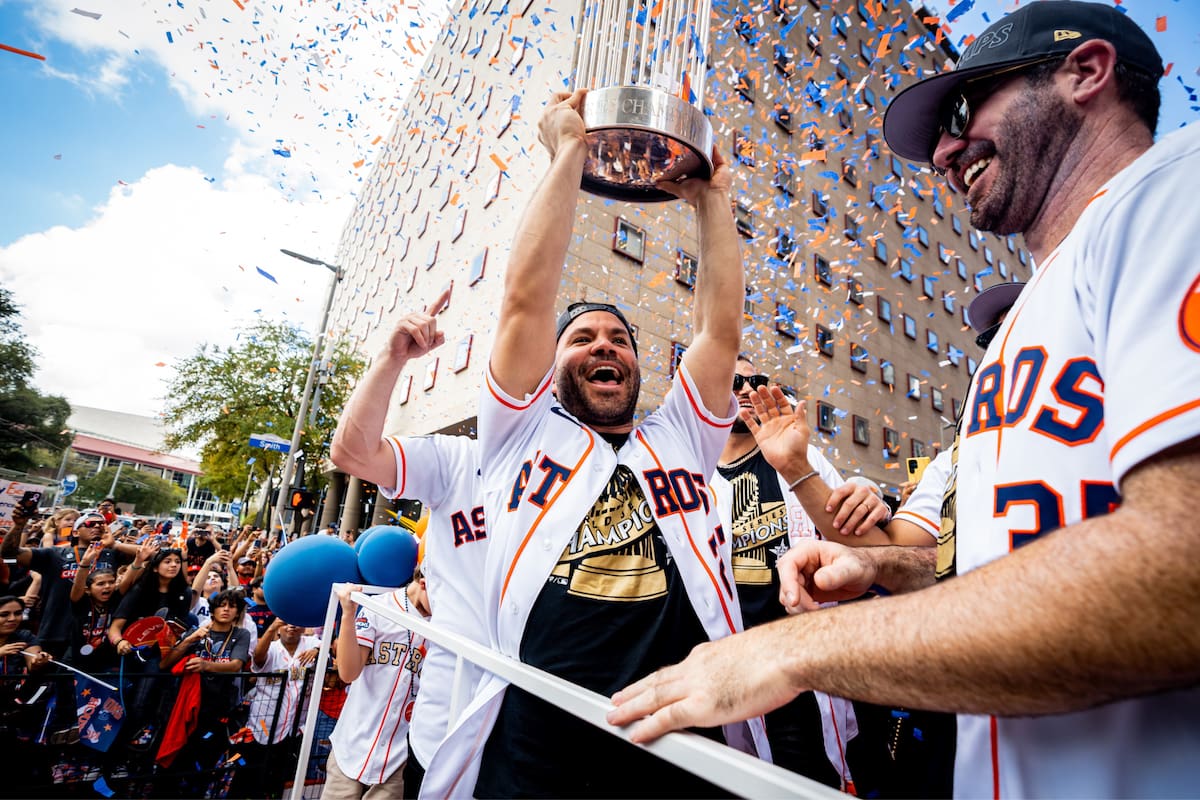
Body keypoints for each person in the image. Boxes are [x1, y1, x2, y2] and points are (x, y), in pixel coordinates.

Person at [609, 3, 1200, 797]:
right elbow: (1003, 570)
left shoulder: (1172, 192)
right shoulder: (1035, 310)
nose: (945, 153)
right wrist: (884, 564)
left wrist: (794, 650)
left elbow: (1182, 571)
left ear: (1085, 73)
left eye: (962, 112)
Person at [423, 90, 765, 799]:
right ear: (550, 366)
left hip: (680, 747)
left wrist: (712, 199)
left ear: (638, 365)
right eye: (582, 337)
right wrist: (570, 152)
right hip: (538, 750)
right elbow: (525, 300)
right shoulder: (520, 432)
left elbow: (718, 330)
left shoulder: (681, 435)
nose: (605, 345)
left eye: (619, 339)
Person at [329, 287, 489, 798]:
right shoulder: (459, 459)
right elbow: (352, 453)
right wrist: (392, 358)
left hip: (493, 733)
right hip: (399, 748)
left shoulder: (573, 480)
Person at [711, 355, 891, 790]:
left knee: (828, 775)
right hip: (740, 672)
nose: (745, 389)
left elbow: (859, 537)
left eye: (754, 380)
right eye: (732, 380)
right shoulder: (693, 476)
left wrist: (872, 499)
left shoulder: (798, 456)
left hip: (811, 667)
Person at [324, 575, 428, 800]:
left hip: (398, 756)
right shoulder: (380, 606)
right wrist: (348, 615)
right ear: (424, 583)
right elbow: (348, 673)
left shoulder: (446, 624)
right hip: (352, 743)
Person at [237, 618, 320, 798]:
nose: (291, 625)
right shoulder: (272, 647)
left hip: (295, 726)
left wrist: (318, 651)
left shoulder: (311, 643)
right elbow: (258, 659)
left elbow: (331, 648)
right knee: (255, 774)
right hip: (264, 723)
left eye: (295, 622)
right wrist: (272, 627)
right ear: (278, 629)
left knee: (282, 777)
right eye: (286, 622)